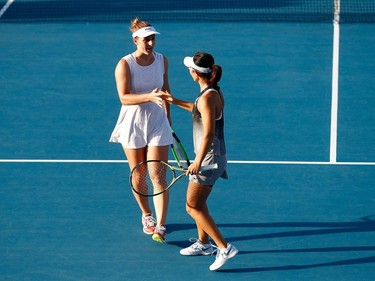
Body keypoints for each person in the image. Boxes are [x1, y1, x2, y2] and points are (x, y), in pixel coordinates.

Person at [162, 52, 238, 270]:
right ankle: (204, 243)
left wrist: (197, 161)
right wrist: (174, 100)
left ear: (196, 73)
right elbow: (198, 110)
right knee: (200, 203)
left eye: (190, 69)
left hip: (208, 160)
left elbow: (208, 133)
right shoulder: (212, 93)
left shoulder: (207, 97)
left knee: (192, 206)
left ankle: (224, 247)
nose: (188, 71)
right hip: (215, 157)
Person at [109, 18, 173, 243]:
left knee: (158, 174)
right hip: (132, 123)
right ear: (135, 40)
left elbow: (166, 91)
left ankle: (161, 225)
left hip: (157, 121)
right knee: (139, 174)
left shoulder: (162, 60)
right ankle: (147, 215)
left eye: (153, 39)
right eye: (146, 39)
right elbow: (124, 97)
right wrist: (149, 97)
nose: (151, 43)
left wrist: (169, 120)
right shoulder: (124, 64)